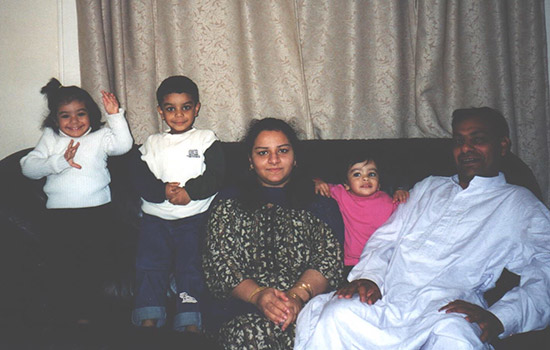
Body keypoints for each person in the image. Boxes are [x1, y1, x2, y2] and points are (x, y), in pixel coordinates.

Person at [295, 107, 550, 350]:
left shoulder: (519, 203)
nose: (466, 149)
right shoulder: (429, 187)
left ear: (503, 145)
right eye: (459, 141)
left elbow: (545, 269)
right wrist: (369, 277)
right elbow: (386, 238)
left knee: (456, 339)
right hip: (389, 300)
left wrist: (502, 316)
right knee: (338, 313)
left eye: (478, 139)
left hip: (448, 309)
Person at [202, 118, 344, 349]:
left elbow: (329, 259)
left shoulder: (320, 203)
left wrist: (297, 297)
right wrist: (258, 296)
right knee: (249, 333)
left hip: (307, 305)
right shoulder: (228, 202)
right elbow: (219, 262)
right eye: (263, 153)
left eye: (282, 151)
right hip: (242, 307)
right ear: (250, 160)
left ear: (295, 157)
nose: (274, 160)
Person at [20, 78, 133, 324]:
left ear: (91, 115)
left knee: (95, 268)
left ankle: (93, 317)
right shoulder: (51, 138)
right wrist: (58, 162)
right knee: (63, 269)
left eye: (80, 114)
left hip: (98, 215)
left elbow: (124, 145)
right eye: (65, 116)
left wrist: (115, 117)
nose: (74, 121)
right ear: (54, 120)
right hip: (60, 218)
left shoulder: (101, 137)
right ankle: (69, 318)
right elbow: (27, 167)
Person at [130, 75, 225, 332]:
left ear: (196, 108)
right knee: (149, 265)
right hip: (155, 218)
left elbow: (217, 174)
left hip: (194, 218)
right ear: (161, 111)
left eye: (186, 107)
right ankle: (148, 315)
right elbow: (137, 176)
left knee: (190, 266)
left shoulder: (205, 139)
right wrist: (160, 190)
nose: (179, 114)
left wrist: (190, 193)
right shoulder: (152, 143)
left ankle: (190, 317)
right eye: (171, 108)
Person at [314, 154, 408, 275]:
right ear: (346, 184)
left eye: (372, 174)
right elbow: (314, 182)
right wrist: (318, 181)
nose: (365, 178)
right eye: (357, 174)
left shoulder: (388, 200)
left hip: (382, 260)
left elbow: (404, 215)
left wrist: (402, 191)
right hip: (351, 262)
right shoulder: (341, 194)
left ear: (379, 183)